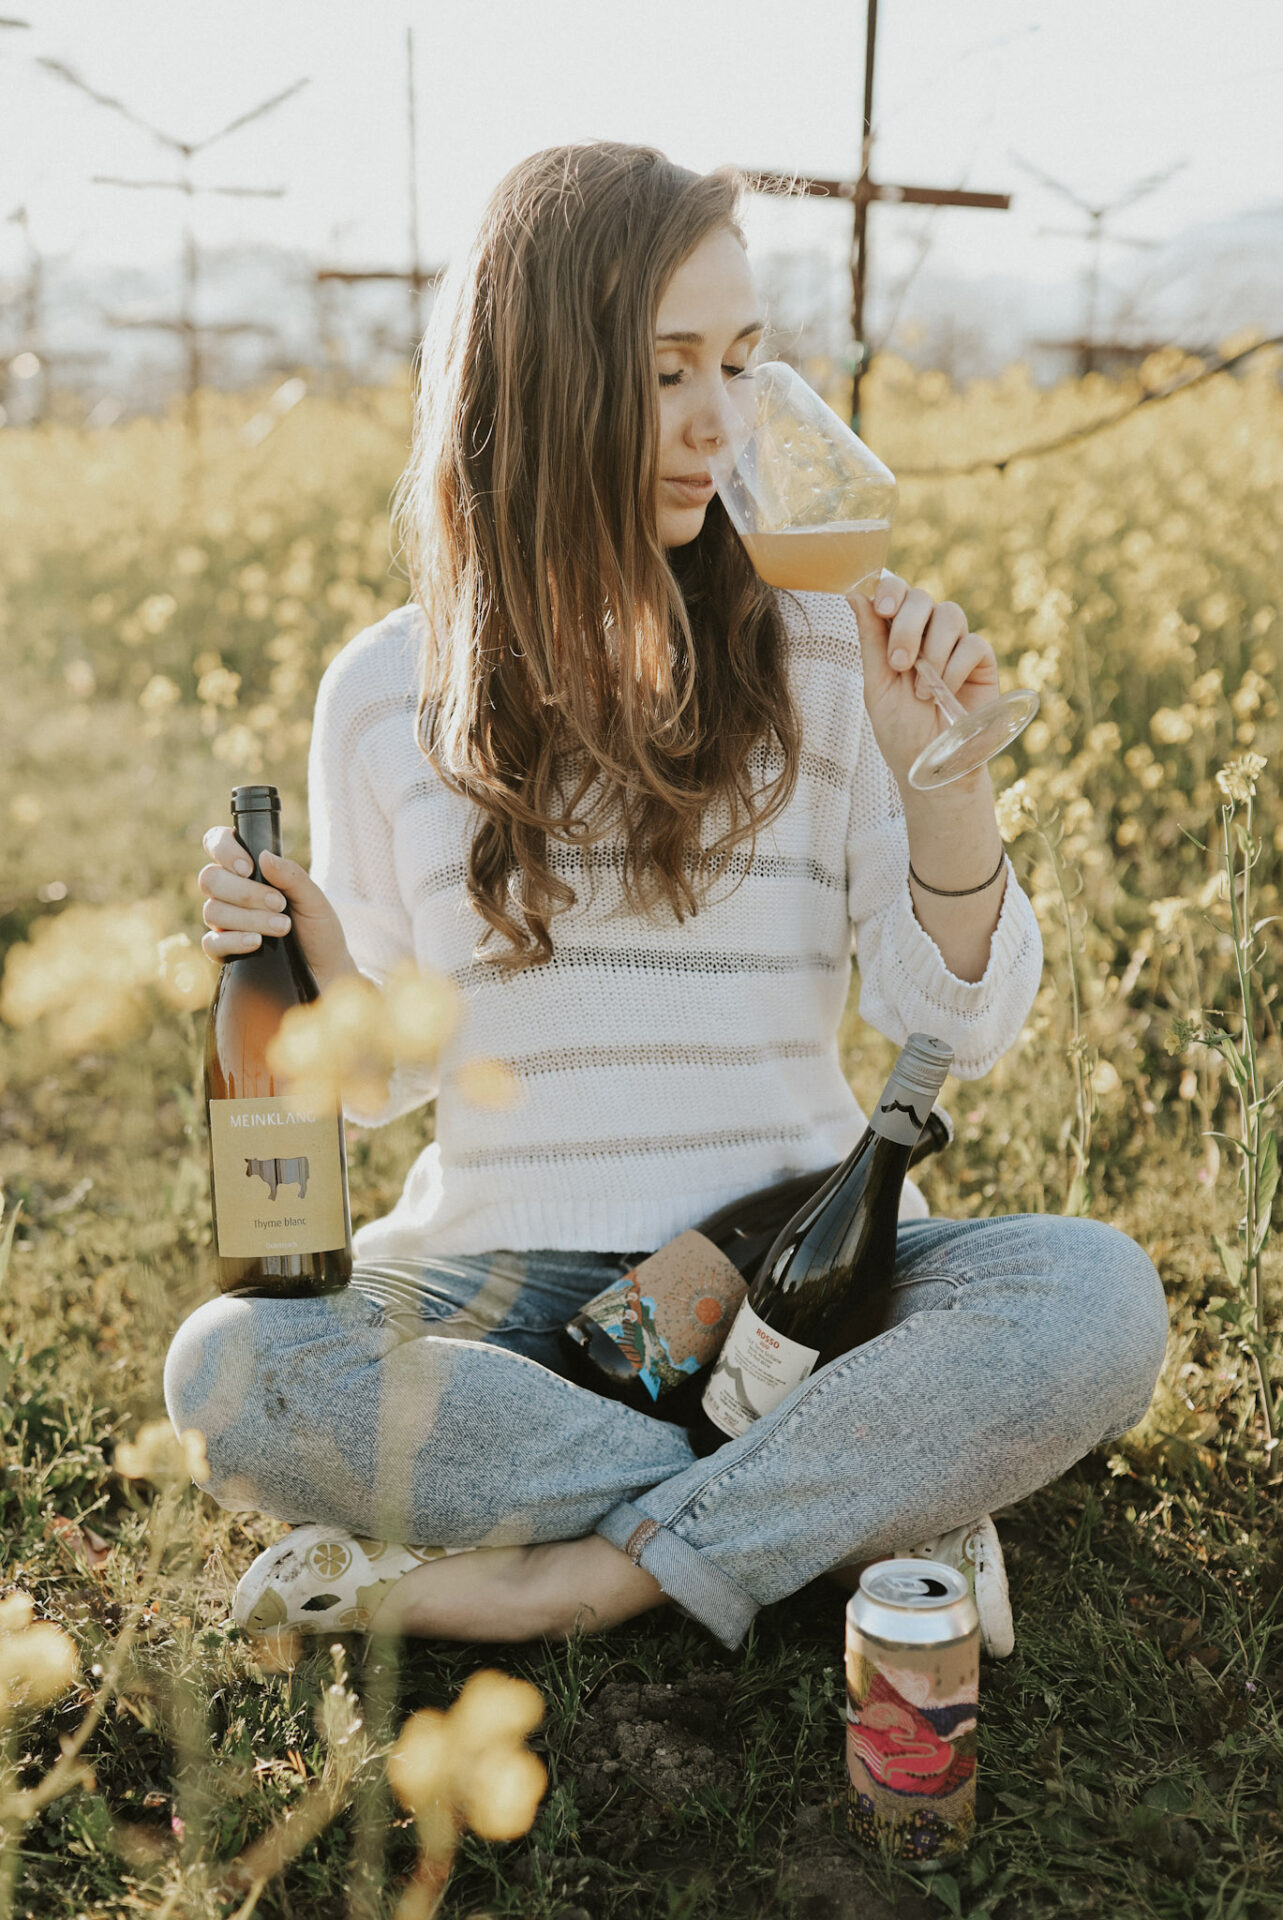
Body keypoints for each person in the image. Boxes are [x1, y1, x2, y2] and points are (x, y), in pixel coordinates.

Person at [163, 142, 1168, 1658]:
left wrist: (942, 782)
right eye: (668, 372)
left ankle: (585, 1573)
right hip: (506, 1297)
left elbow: (957, 1018)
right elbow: (385, 1089)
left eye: (746, 363)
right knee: (232, 1364)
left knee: (1096, 1294)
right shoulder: (383, 691)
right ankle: (847, 1495)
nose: (724, 422)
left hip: (794, 1278)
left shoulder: (827, 649)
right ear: (548, 381)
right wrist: (319, 985)